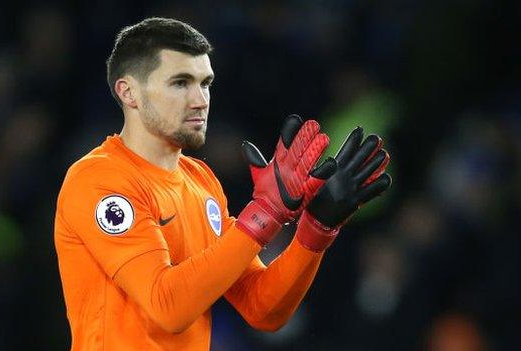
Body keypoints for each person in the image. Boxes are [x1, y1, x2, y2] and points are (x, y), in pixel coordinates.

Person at [54, 17, 391, 350]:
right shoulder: (98, 179)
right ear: (129, 92)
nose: (200, 100)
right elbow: (168, 307)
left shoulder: (201, 182)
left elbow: (263, 309)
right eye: (180, 83)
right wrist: (266, 212)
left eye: (206, 83)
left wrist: (316, 229)